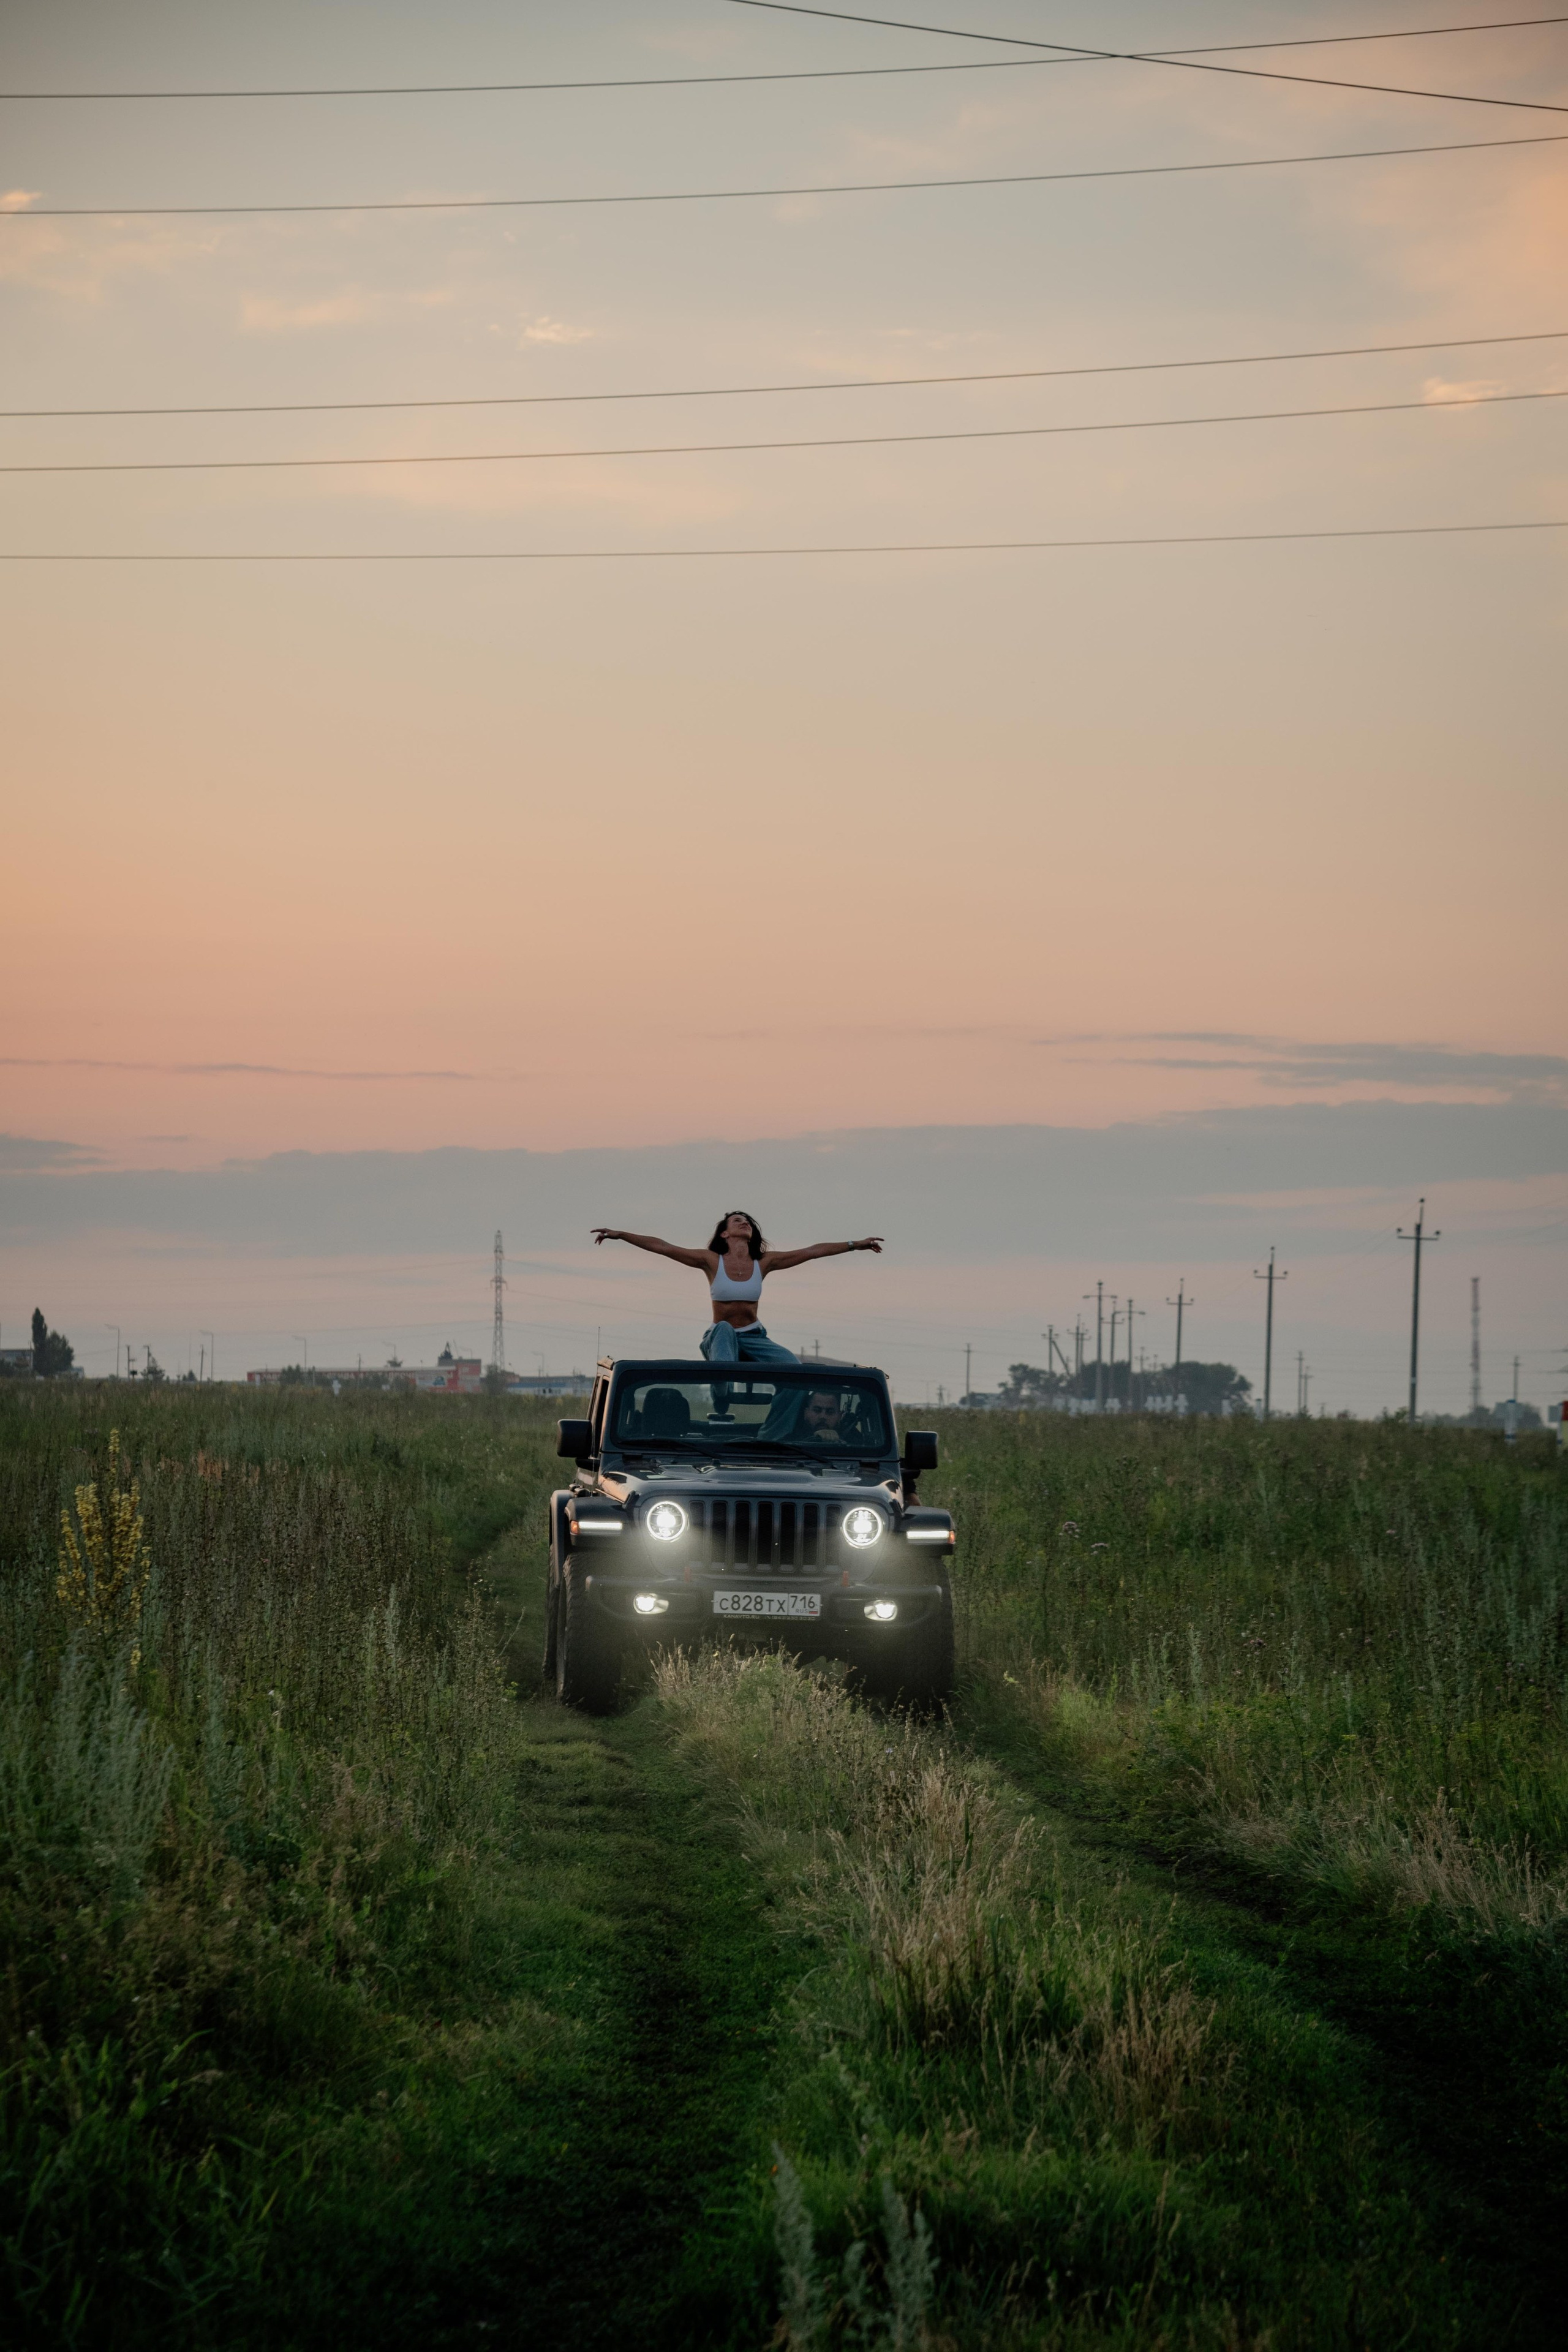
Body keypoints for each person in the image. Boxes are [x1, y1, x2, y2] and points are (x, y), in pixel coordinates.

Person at [590, 1211, 883, 1365]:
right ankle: (722, 1398)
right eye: (737, 1221)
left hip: (755, 1338)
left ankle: (774, 1427)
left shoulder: (764, 1262)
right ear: (725, 1233)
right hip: (720, 1340)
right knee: (724, 1329)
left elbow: (812, 1251)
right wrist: (621, 1235)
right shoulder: (710, 1261)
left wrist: (854, 1245)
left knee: (793, 1368)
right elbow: (663, 1247)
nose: (745, 1223)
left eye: (748, 1222)